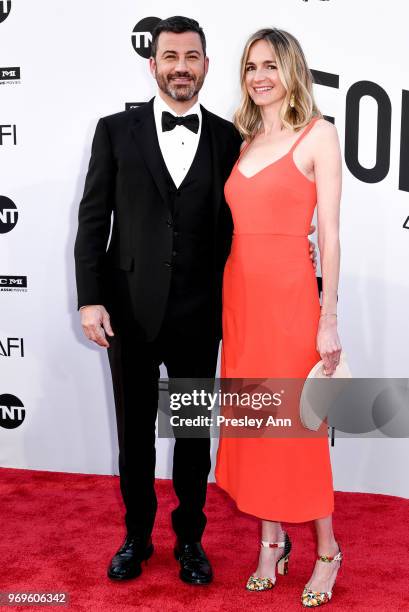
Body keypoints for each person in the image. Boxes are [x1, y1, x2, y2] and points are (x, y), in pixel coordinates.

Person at [74, 16, 316, 586]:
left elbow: (249, 214)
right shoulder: (114, 130)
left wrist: (292, 242)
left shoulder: (232, 138)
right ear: (153, 62)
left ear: (206, 65)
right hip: (129, 311)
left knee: (190, 435)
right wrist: (91, 299)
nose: (181, 67)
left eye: (192, 57)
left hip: (199, 314)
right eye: (170, 56)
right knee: (134, 434)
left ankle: (190, 541)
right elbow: (92, 221)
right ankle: (136, 537)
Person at [215, 28, 343, 607]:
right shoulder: (241, 142)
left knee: (299, 432)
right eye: (250, 67)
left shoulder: (320, 136)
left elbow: (332, 238)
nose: (259, 76)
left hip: (293, 303)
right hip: (241, 303)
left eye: (270, 64)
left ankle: (328, 552)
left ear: (292, 69)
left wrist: (329, 316)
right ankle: (271, 544)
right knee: (255, 425)